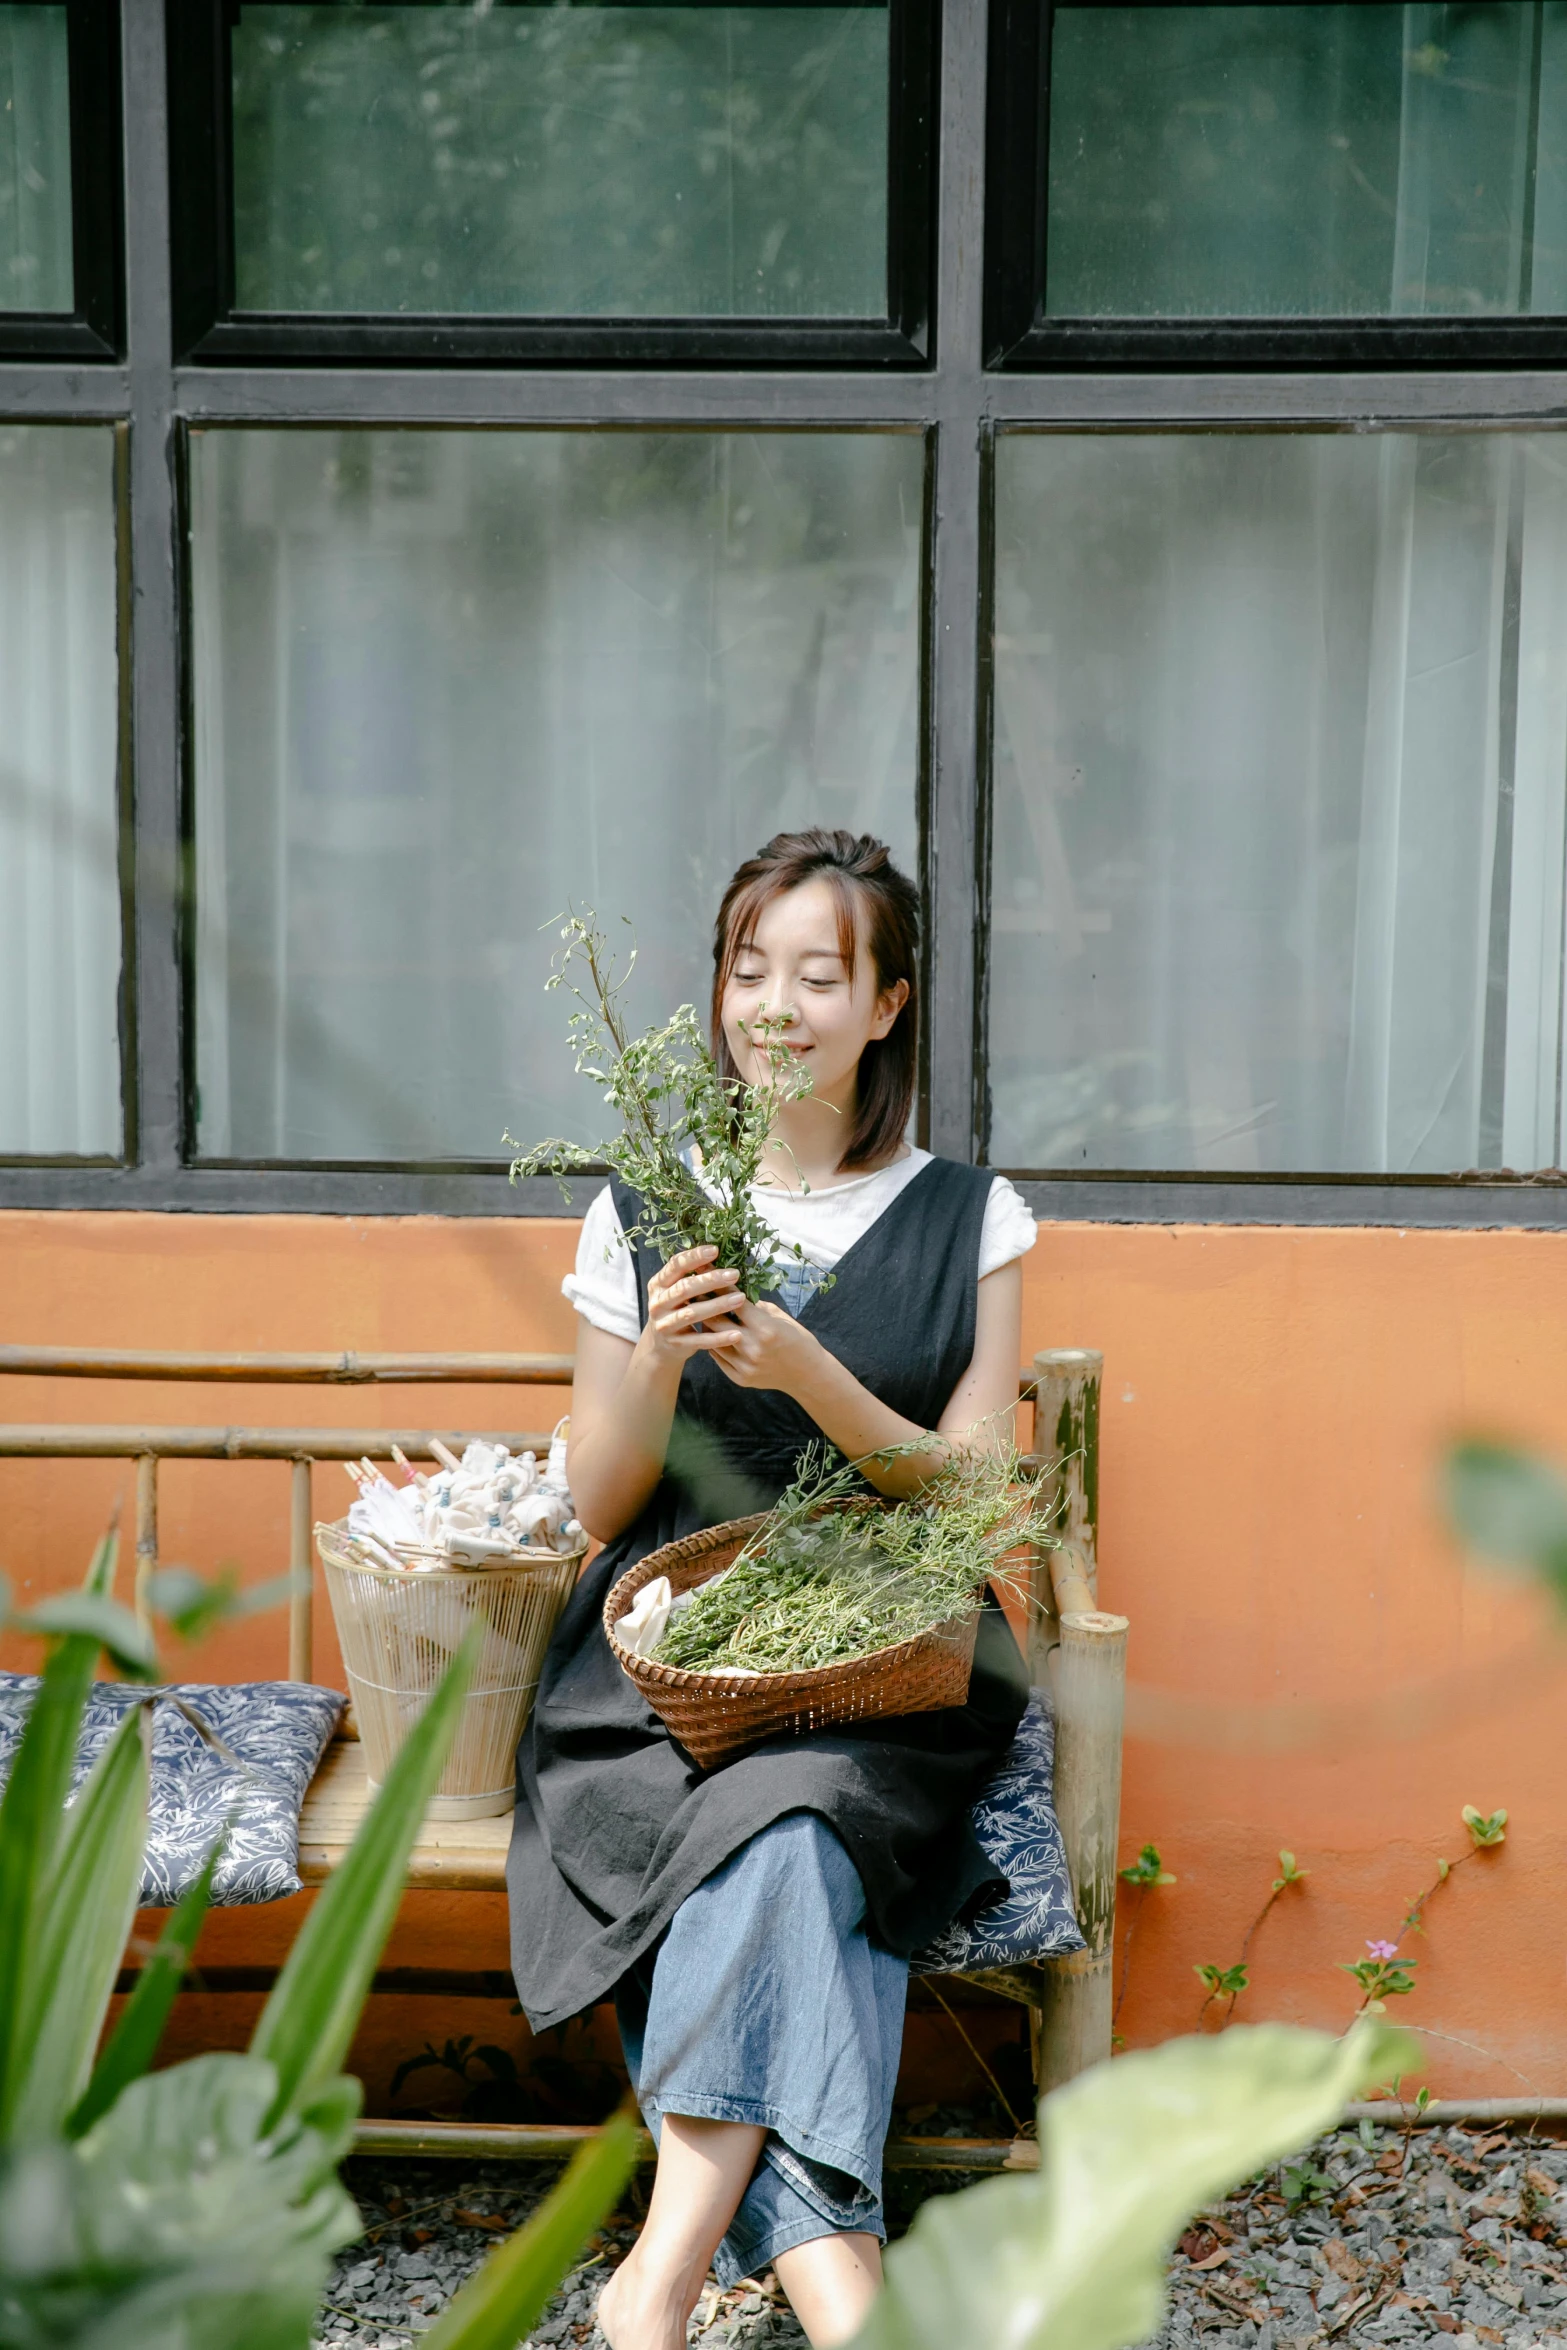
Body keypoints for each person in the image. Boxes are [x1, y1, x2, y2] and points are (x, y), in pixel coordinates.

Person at [507, 829, 1038, 2350]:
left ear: (887, 1005)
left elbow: (972, 1496)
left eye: (818, 973)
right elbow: (599, 1504)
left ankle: (656, 2279)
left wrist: (809, 1372)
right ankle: (836, 2280)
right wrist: (659, 1346)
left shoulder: (968, 1217)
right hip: (661, 1668)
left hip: (893, 1659)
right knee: (796, 1845)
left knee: (805, 1804)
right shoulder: (640, 1204)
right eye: (749, 969)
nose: (772, 1005)